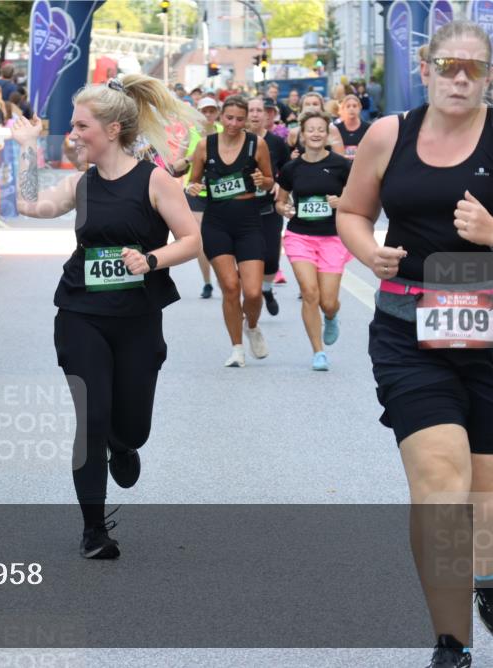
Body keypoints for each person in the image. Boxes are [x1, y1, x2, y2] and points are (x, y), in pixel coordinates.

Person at [336, 20, 493, 668]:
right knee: (440, 481)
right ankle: (453, 644)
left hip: (490, 334)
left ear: (488, 75)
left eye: (474, 67)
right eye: (448, 65)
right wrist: (368, 250)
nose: (460, 77)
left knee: (485, 505)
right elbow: (352, 211)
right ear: (426, 68)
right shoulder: (387, 135)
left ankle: (485, 572)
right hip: (409, 332)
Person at [12, 75, 201, 559]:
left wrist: (151, 259)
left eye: (82, 126)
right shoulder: (80, 184)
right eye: (73, 126)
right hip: (81, 313)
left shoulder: (155, 180)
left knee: (132, 427)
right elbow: (30, 205)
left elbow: (191, 240)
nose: (74, 135)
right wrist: (27, 149)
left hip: (138, 317)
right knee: (91, 418)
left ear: (113, 129)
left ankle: (125, 442)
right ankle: (94, 530)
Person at [187, 95, 275, 367]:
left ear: (246, 119)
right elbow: (193, 181)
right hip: (217, 222)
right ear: (220, 116)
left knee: (253, 292)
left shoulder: (256, 144)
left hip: (248, 222)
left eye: (240, 119)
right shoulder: (205, 145)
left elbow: (270, 181)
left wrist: (262, 181)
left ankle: (252, 326)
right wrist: (193, 187)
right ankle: (237, 349)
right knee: (230, 287)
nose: (234, 124)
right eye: (229, 118)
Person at [276, 111, 353, 370]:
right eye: (311, 129)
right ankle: (318, 352)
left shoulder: (341, 165)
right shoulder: (292, 168)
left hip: (332, 237)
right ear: (302, 134)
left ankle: (331, 316)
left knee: (327, 302)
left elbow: (358, 197)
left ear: (327, 134)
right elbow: (280, 201)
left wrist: (342, 201)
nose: (316, 134)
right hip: (300, 236)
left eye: (321, 129)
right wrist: (285, 209)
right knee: (310, 293)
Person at [169, 96, 222, 299]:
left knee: (221, 238)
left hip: (221, 192)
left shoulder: (224, 131)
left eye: (211, 111)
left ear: (217, 112)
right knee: (202, 239)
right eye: (204, 111)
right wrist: (192, 157)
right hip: (196, 192)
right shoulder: (190, 134)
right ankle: (207, 282)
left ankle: (223, 275)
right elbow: (176, 166)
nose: (207, 114)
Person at [248, 97, 291, 316]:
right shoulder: (237, 141)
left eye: (259, 110)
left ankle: (266, 289)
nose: (255, 114)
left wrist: (280, 185)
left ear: (266, 115)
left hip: (269, 209)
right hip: (242, 210)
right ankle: (249, 298)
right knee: (246, 257)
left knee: (271, 258)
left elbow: (288, 171)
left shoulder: (276, 143)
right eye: (251, 110)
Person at [287, 92, 344, 158]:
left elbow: (341, 158)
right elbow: (285, 159)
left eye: (315, 104)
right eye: (307, 104)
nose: (311, 107)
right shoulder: (294, 132)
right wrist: (291, 157)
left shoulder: (332, 130)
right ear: (301, 109)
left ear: (322, 108)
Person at [335, 94, 370, 159]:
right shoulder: (336, 129)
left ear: (360, 108)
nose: (351, 109)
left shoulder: (368, 128)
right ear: (343, 109)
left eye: (354, 106)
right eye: (348, 106)